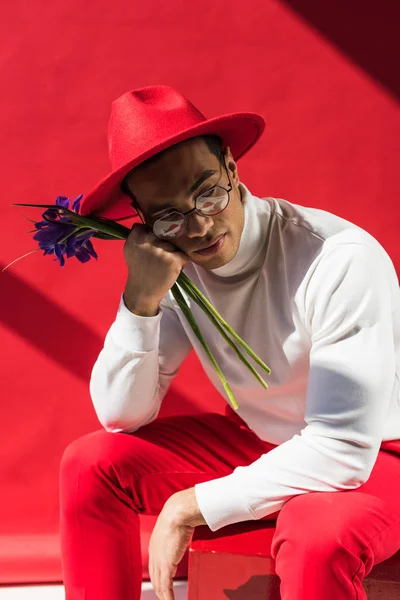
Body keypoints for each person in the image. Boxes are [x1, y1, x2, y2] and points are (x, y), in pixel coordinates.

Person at [59, 84, 400, 600]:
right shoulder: (175, 266)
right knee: (89, 464)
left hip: (377, 452)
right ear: (143, 219)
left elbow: (342, 449)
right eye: (169, 213)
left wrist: (190, 505)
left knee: (316, 535)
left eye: (207, 192)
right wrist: (140, 299)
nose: (198, 225)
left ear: (233, 168)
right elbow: (120, 416)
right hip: (258, 436)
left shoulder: (339, 258)